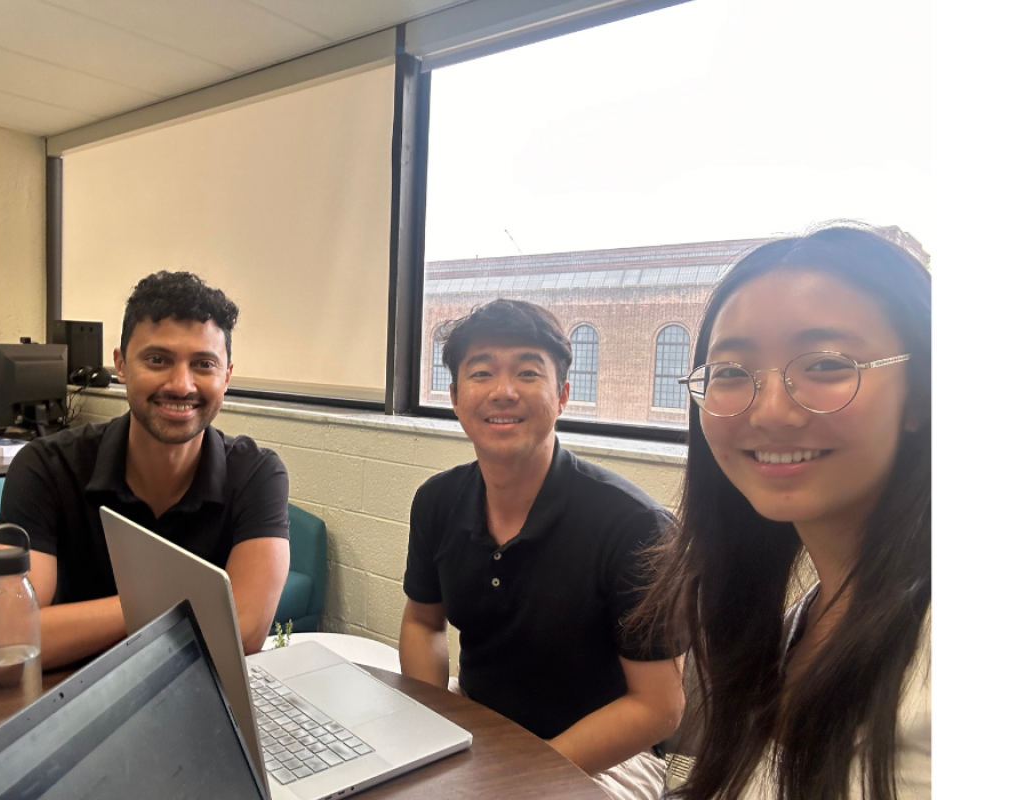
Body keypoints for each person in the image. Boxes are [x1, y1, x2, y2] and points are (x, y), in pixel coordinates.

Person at [626, 225, 932, 800]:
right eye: (733, 374)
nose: (769, 411)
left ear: (918, 393)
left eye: (825, 364)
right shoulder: (795, 623)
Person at [399, 299, 686, 799]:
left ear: (563, 395)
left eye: (528, 373)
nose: (503, 392)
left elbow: (658, 707)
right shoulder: (436, 501)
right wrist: (434, 722)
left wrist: (519, 777)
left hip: (604, 757)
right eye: (482, 373)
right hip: (478, 722)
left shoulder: (635, 526)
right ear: (455, 397)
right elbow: (424, 623)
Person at [0, 271, 291, 668]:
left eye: (203, 364)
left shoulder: (257, 474)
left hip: (196, 702)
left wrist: (89, 621)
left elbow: (244, 629)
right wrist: (177, 602)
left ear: (226, 377)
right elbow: (11, 637)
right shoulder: (46, 468)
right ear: (121, 364)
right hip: (67, 701)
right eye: (158, 359)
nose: (181, 384)